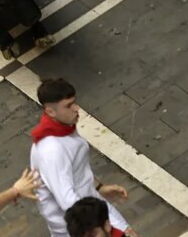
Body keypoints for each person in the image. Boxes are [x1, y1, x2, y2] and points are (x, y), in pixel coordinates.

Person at [30, 79, 136, 237]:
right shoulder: (52, 151)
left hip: (91, 209)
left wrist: (99, 187)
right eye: (68, 105)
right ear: (50, 111)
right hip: (84, 226)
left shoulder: (63, 128)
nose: (76, 108)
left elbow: (76, 170)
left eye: (74, 102)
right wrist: (112, 229)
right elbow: (68, 202)